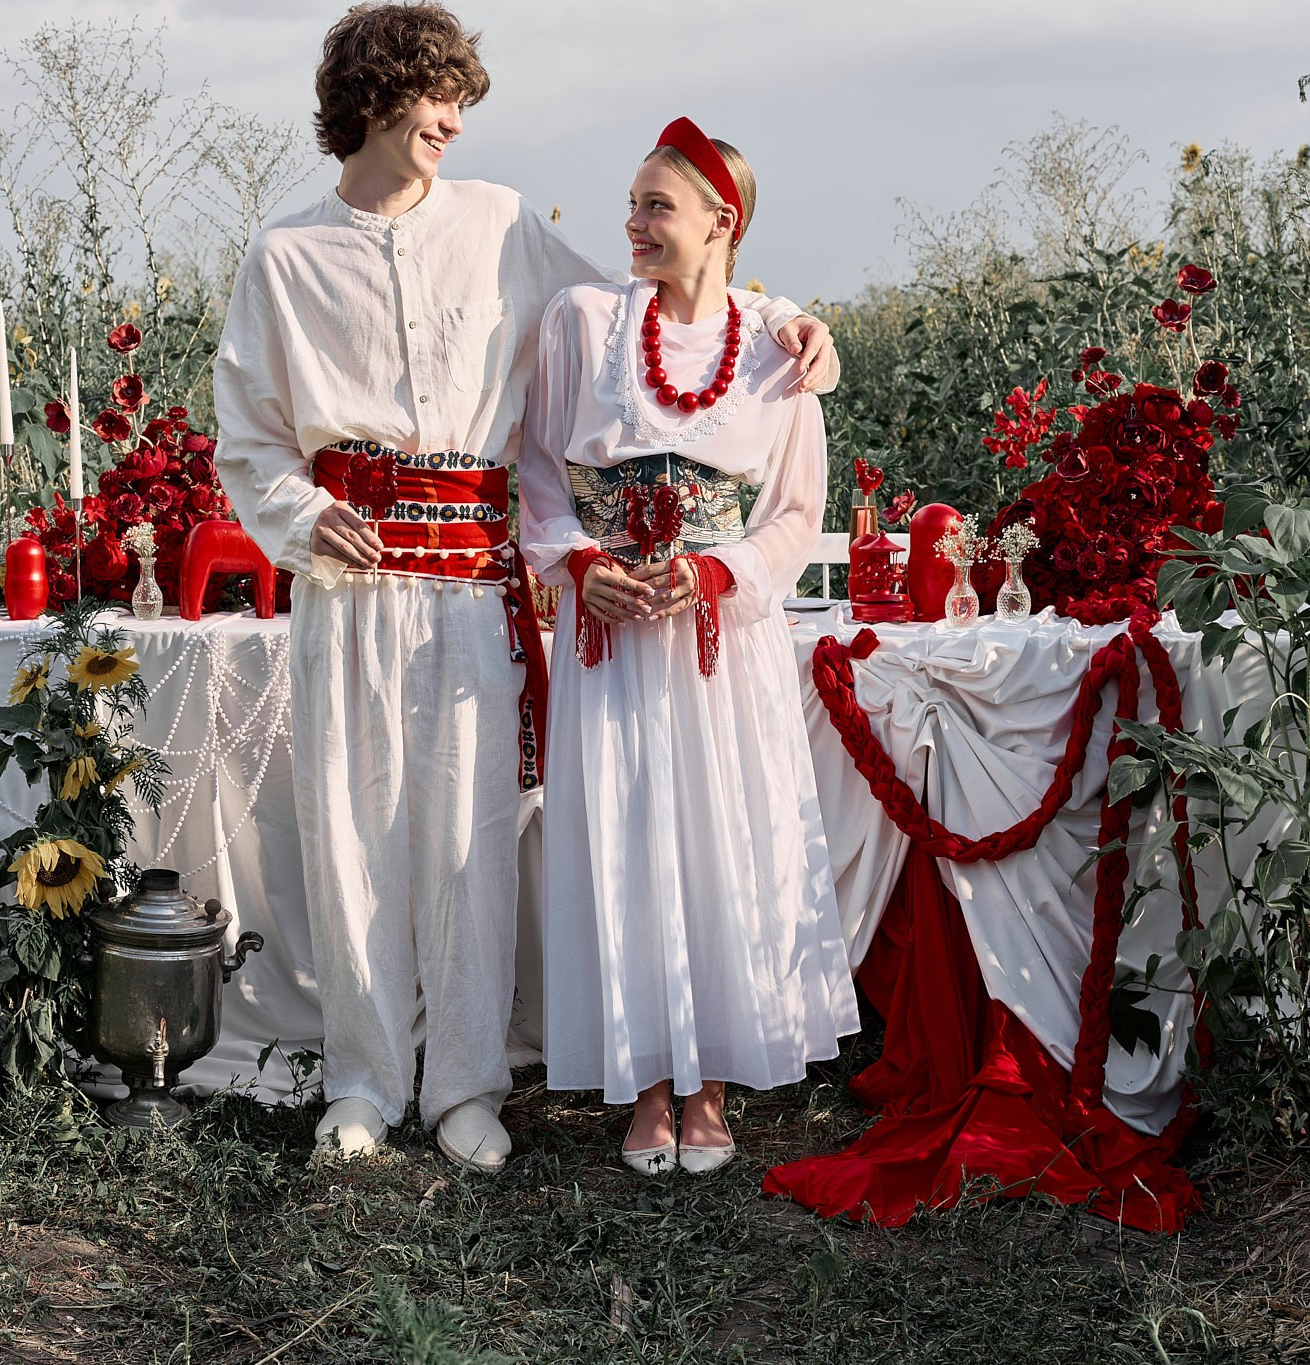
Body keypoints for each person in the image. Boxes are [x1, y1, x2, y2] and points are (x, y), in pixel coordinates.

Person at [214, 3, 836, 1173]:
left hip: (469, 588)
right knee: (351, 831)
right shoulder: (282, 256)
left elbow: (645, 305)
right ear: (374, 98)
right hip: (349, 588)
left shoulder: (500, 223)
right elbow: (247, 437)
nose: (454, 118)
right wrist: (299, 518)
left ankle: (462, 1085)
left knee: (468, 838)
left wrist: (798, 324)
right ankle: (357, 1080)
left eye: (460, 97)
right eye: (434, 95)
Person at [519, 118, 859, 1174]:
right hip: (609, 634)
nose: (632, 223)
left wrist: (716, 574)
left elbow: (796, 512)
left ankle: (707, 1081)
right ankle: (644, 1079)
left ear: (723, 223)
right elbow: (535, 473)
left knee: (723, 837)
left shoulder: (775, 349)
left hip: (719, 637)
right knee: (621, 837)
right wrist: (578, 565)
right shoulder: (580, 321)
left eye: (655, 207)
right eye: (630, 203)